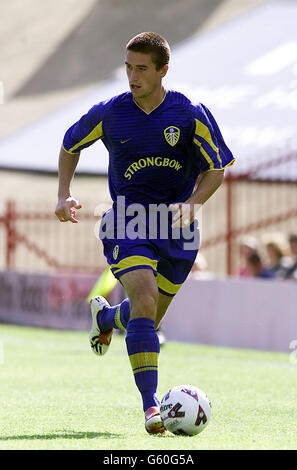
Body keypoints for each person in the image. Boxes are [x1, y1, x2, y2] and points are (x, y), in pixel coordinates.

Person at [55, 32, 235, 434]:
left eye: (141, 69)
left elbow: (217, 167)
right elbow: (70, 144)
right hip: (128, 220)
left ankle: (105, 315)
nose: (132, 76)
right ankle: (152, 408)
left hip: (177, 227)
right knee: (145, 296)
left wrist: (194, 202)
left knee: (145, 315)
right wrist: (64, 194)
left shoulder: (189, 113)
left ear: (162, 70)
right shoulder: (110, 113)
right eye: (128, 67)